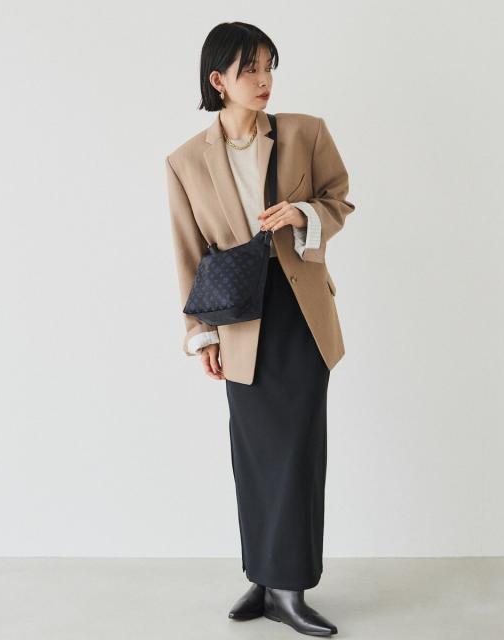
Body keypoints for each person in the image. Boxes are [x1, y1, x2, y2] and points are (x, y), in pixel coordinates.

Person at [165, 21, 356, 637]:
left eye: (269, 65)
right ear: (218, 80)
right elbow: (188, 251)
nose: (264, 78)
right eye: (249, 68)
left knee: (298, 450)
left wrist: (302, 214)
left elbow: (339, 200)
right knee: (251, 453)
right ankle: (263, 578)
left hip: (300, 311)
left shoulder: (305, 133)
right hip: (237, 320)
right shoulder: (185, 161)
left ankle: (291, 588)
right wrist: (201, 333)